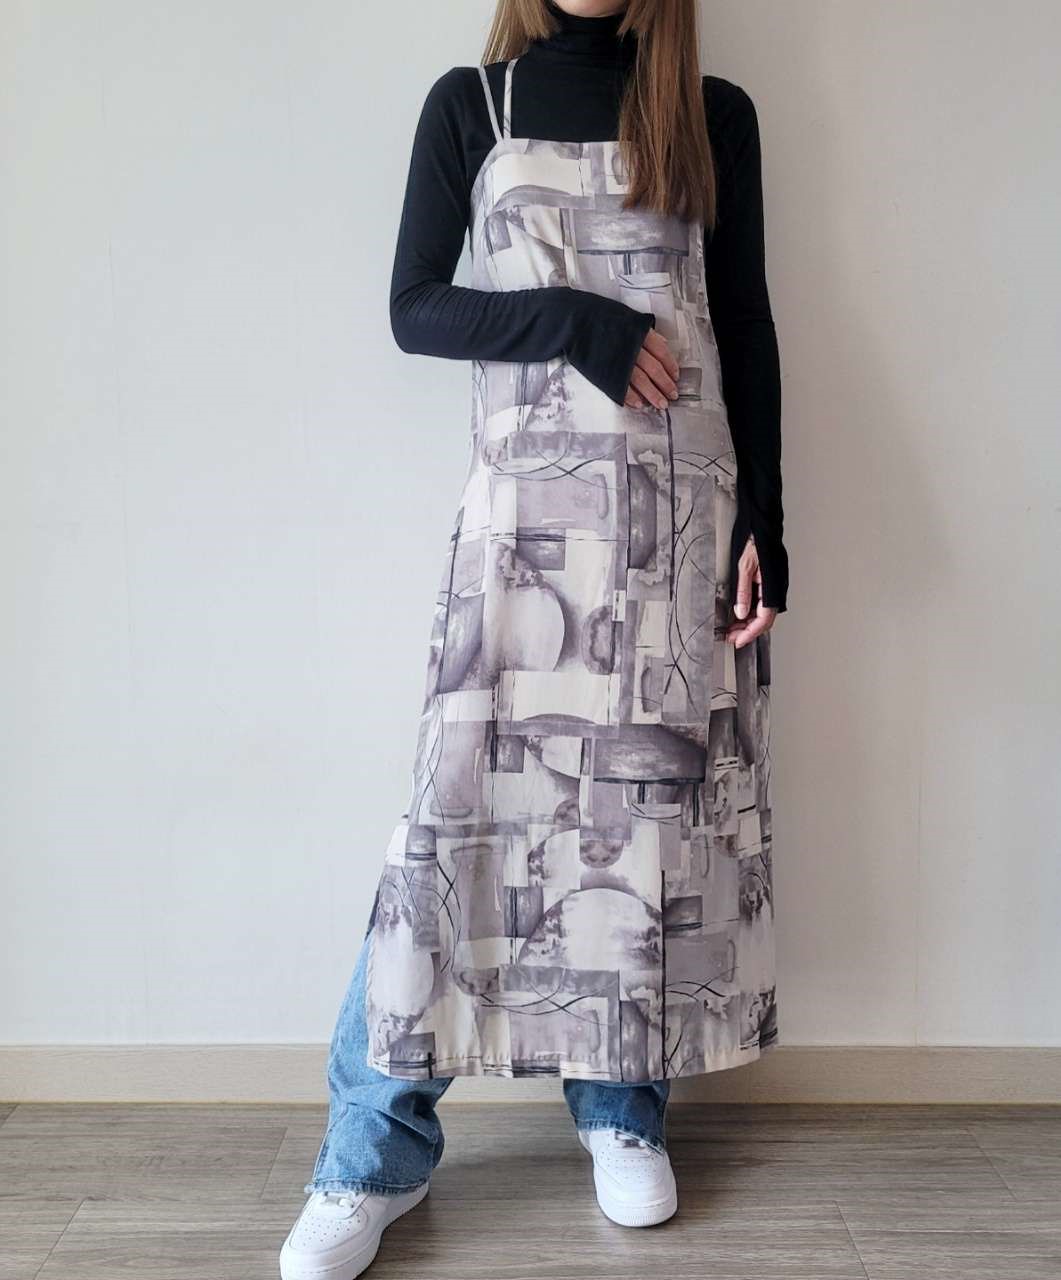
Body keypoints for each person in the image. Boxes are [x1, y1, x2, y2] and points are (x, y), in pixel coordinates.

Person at [280, 1, 788, 1275]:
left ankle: (620, 1105)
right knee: (454, 819)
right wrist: (576, 319)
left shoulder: (711, 115)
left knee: (639, 823)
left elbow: (744, 322)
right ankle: (371, 1151)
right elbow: (415, 307)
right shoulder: (473, 104)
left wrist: (767, 522)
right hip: (518, 533)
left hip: (675, 526)